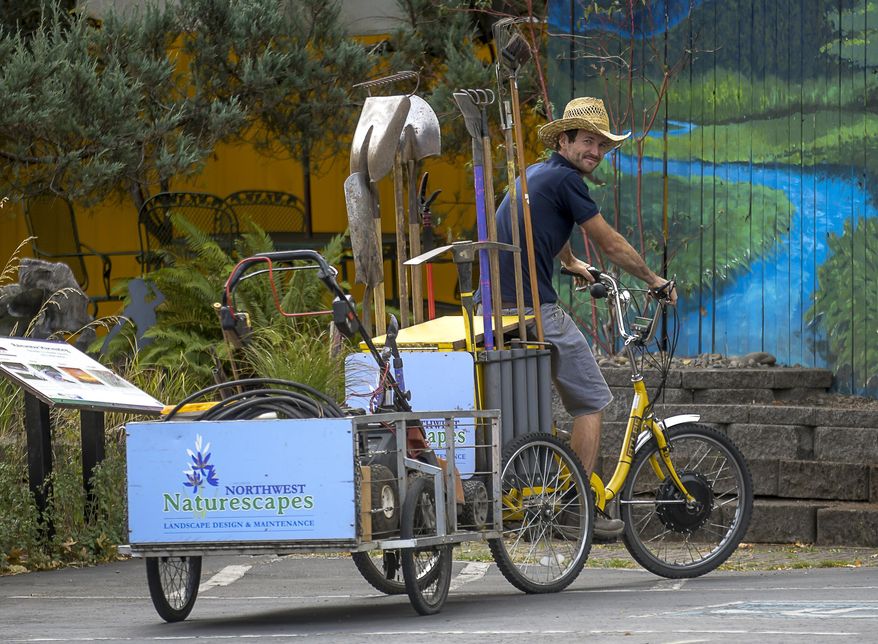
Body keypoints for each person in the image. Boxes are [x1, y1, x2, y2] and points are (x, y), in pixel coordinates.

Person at [494, 96, 677, 539]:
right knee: (592, 399)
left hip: (496, 309)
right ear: (564, 139)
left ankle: (552, 491)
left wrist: (572, 262)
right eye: (588, 142)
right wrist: (654, 280)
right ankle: (578, 508)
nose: (595, 152)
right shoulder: (569, 182)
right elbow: (610, 243)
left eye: (601, 146)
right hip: (533, 307)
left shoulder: (537, 176)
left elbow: (544, 229)